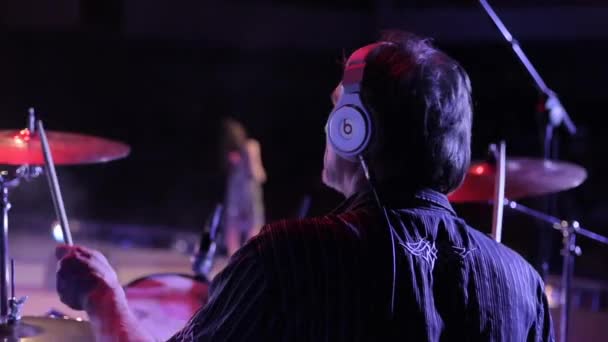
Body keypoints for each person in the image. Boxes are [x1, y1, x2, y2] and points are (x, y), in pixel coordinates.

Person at [55, 30, 554, 341]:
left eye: (339, 108)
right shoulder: (523, 286)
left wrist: (104, 298)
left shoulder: (289, 258)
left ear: (353, 129)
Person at [220, 118, 267, 257]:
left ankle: (233, 259)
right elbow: (256, 173)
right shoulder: (251, 146)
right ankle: (249, 258)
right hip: (249, 191)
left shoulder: (231, 154)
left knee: (233, 226)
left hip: (235, 192)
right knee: (254, 224)